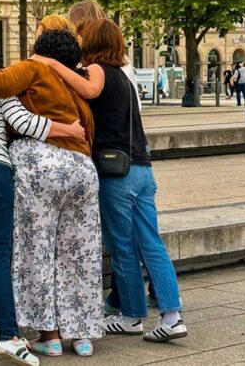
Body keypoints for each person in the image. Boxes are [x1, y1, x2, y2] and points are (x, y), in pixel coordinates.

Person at [0, 29, 103, 358]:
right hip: (83, 169)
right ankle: (82, 336)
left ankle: (50, 335)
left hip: (39, 165)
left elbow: (0, 85)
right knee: (79, 254)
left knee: (37, 250)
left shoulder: (33, 68)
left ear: (40, 52)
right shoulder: (75, 84)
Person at [34, 19, 187, 343]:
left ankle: (136, 316)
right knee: (150, 242)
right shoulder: (125, 78)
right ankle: (169, 313)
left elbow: (89, 89)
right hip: (142, 169)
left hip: (119, 173)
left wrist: (48, 62)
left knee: (122, 247)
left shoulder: (100, 69)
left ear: (93, 42)